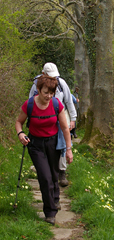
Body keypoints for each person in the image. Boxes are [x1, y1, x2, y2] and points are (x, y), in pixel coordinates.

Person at [15, 75, 73, 226]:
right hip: (35, 145)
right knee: (45, 177)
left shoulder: (56, 104)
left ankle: (55, 199)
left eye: (51, 93)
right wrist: (20, 133)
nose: (49, 96)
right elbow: (19, 122)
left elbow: (65, 128)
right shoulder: (29, 105)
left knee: (54, 175)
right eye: (46, 92)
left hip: (53, 143)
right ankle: (50, 212)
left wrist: (69, 149)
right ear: (38, 90)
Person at [29, 62, 77, 187]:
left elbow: (68, 101)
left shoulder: (61, 83)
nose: (53, 79)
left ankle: (62, 171)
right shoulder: (36, 85)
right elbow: (30, 103)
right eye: (50, 76)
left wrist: (73, 119)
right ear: (43, 74)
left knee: (63, 143)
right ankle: (46, 168)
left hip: (59, 115)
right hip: (42, 119)